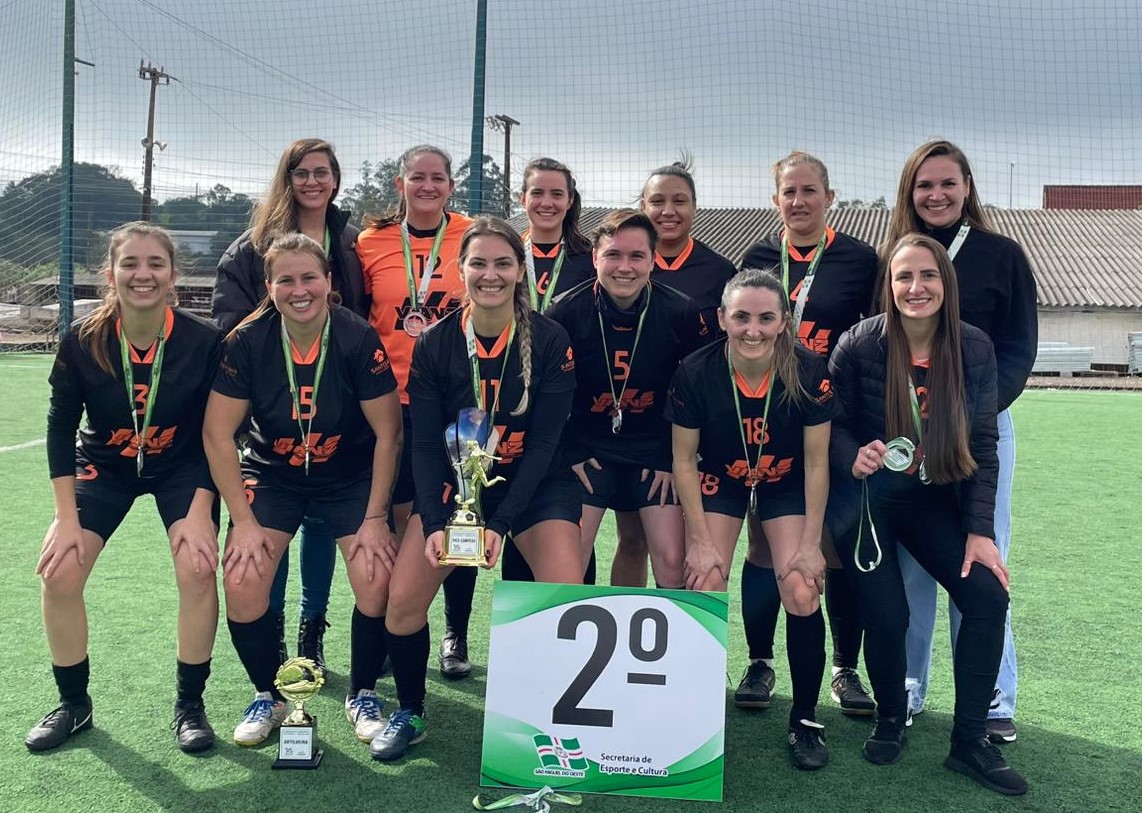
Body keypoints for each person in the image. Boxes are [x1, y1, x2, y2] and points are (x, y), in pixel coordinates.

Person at [370, 216, 580, 762]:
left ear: (520, 271)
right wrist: (434, 524)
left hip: (533, 483)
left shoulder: (551, 339)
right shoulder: (436, 342)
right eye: (479, 263)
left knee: (566, 596)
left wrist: (501, 524)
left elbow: (545, 445)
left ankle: (552, 717)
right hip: (455, 486)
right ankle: (410, 711)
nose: (491, 274)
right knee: (401, 606)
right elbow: (422, 444)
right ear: (460, 269)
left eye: (503, 263)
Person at [828, 233, 1026, 795]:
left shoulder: (974, 347)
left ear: (946, 283)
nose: (916, 287)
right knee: (888, 617)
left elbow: (983, 444)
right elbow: (831, 424)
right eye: (904, 277)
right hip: (867, 504)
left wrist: (980, 532)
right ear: (889, 287)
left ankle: (969, 742)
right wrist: (852, 454)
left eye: (928, 275)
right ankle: (892, 717)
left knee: (986, 596)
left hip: (933, 500)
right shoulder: (858, 343)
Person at [27, 222, 222, 754]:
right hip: (105, 464)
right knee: (60, 573)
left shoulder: (204, 340)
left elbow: (217, 431)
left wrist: (202, 509)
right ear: (110, 273)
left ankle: (190, 706)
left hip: (182, 466)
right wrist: (66, 517)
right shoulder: (83, 338)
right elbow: (60, 427)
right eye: (130, 263)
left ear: (173, 274)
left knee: (198, 568)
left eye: (155, 263)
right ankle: (74, 703)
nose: (143, 274)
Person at [204, 234, 401, 748]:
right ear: (269, 287)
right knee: (243, 578)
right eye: (286, 280)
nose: (299, 290)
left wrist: (375, 518)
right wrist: (243, 522)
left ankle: (363, 693)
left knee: (377, 577)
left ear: (328, 281)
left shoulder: (356, 336)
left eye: (309, 277)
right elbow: (217, 434)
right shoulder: (247, 341)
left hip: (348, 475)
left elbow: (388, 434)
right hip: (273, 474)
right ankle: (269, 695)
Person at [884, 140, 1037, 743]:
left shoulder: (1002, 255)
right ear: (910, 191)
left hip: (978, 431)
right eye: (925, 185)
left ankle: (993, 695)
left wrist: (972, 415)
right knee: (912, 563)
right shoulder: (894, 255)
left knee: (983, 554)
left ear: (968, 187)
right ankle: (907, 686)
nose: (937, 195)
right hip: (906, 429)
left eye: (948, 183)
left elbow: (1019, 347)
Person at [668, 268, 836, 771]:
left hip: (783, 479)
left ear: (784, 321)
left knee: (801, 587)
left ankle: (805, 719)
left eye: (766, 318)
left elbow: (817, 463)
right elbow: (683, 460)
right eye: (741, 317)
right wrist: (700, 541)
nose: (753, 330)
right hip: (721, 478)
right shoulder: (695, 371)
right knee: (705, 580)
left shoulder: (809, 371)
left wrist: (811, 544)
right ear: (722, 318)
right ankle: (693, 717)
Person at [212, 138, 367, 672]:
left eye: (323, 172)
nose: (313, 182)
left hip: (336, 404)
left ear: (336, 179)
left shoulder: (351, 241)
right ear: (287, 177)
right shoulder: (252, 245)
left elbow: (361, 316)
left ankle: (312, 626)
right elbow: (230, 327)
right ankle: (273, 632)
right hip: (273, 409)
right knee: (268, 529)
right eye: (302, 172)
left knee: (322, 519)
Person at [736, 151, 879, 716]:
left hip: (833, 423)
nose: (798, 201)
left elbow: (876, 336)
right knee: (762, 542)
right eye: (788, 192)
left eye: (809, 190)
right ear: (775, 200)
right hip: (768, 421)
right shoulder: (757, 258)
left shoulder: (859, 260)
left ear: (829, 197)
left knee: (832, 548)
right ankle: (759, 661)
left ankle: (845, 668)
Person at [356, 145, 478, 680]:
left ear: (451, 186)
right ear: (400, 184)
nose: (427, 186)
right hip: (388, 401)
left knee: (460, 514)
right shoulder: (369, 242)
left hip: (457, 398)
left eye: (438, 178)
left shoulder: (472, 234)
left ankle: (455, 632)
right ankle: (401, 626)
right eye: (417, 177)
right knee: (404, 516)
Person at [545, 209, 706, 587]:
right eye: (613, 255)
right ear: (595, 258)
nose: (624, 267)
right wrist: (569, 451)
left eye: (636, 256)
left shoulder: (680, 311)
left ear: (653, 260)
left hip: (653, 450)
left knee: (669, 559)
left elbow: (698, 391)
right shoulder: (565, 312)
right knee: (569, 555)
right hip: (588, 449)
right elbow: (547, 395)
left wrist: (674, 458)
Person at [608, 160, 735, 589]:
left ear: (695, 207)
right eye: (657, 201)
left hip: (686, 431)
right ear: (642, 206)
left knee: (676, 550)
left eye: (679, 201)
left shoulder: (718, 271)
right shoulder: (621, 263)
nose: (668, 210)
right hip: (626, 427)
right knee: (631, 540)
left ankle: (676, 628)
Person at [518, 157, 595, 311]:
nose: (546, 203)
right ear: (523, 199)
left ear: (570, 200)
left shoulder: (590, 258)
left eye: (557, 194)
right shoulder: (509, 253)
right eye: (537, 193)